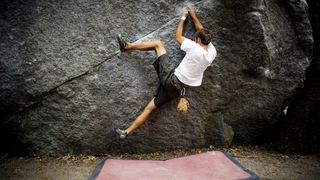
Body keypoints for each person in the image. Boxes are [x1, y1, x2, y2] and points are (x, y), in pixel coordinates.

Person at [116, 4, 217, 139]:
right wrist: (193, 15)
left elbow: (178, 37)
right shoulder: (212, 53)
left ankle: (127, 46)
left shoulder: (194, 47)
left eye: (195, 37)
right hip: (176, 91)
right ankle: (126, 132)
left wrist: (183, 16)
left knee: (158, 44)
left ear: (197, 40)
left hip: (171, 79)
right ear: (207, 41)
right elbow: (201, 30)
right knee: (150, 108)